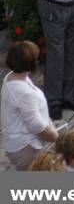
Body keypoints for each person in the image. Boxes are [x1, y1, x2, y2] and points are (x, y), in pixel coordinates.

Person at [1, 41, 59, 170]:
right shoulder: (24, 92)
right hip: (26, 148)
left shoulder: (11, 77)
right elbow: (36, 126)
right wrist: (55, 136)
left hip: (18, 145)